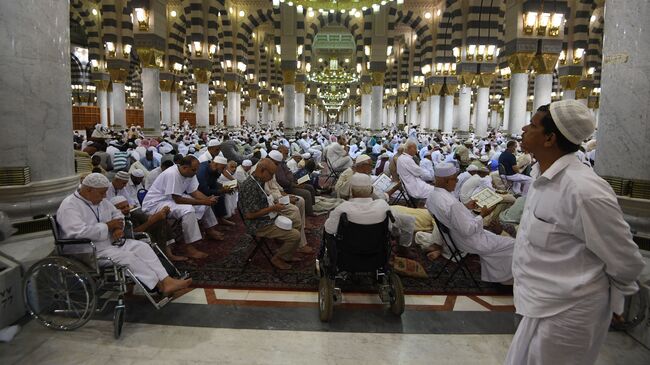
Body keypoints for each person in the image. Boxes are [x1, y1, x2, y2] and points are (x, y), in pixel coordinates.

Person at [505, 101, 645, 364]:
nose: (523, 128)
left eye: (533, 125)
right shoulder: (540, 177)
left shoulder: (583, 190)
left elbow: (625, 259)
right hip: (539, 304)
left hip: (570, 314)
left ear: (549, 138)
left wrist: (616, 299)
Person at [57, 173, 191, 295]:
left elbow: (117, 214)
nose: (104, 197)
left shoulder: (100, 201)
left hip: (108, 244)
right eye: (102, 193)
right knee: (127, 257)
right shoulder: (70, 206)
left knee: (142, 247)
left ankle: (167, 280)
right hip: (87, 250)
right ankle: (158, 285)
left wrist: (117, 228)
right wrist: (108, 226)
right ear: (88, 190)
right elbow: (78, 233)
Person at [425, 162, 514, 283]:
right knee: (512, 244)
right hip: (468, 240)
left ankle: (496, 273)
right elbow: (467, 231)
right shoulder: (452, 204)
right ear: (446, 181)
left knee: (499, 240)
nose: (457, 181)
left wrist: (465, 207)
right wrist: (482, 215)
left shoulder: (432, 196)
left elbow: (451, 216)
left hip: (453, 239)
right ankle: (504, 279)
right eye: (454, 178)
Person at [141, 155, 222, 259]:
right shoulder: (172, 173)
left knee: (204, 203)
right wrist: (204, 201)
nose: (196, 172)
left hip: (170, 199)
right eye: (194, 170)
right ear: (184, 167)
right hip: (155, 203)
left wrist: (208, 200)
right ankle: (189, 247)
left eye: (197, 169)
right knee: (188, 210)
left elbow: (194, 192)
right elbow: (178, 200)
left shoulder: (190, 173)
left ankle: (209, 230)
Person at [238, 158, 302, 270]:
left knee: (296, 221)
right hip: (258, 224)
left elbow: (263, 201)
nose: (272, 177)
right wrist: (273, 208)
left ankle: (286, 253)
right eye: (271, 174)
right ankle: (277, 258)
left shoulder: (258, 180)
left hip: (266, 217)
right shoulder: (250, 186)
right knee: (295, 235)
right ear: (263, 170)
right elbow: (249, 215)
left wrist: (278, 202)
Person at [324, 173, 390, 235]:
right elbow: (392, 228)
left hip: (347, 246)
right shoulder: (383, 206)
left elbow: (329, 230)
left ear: (351, 191)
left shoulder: (343, 208)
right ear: (371, 190)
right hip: (378, 246)